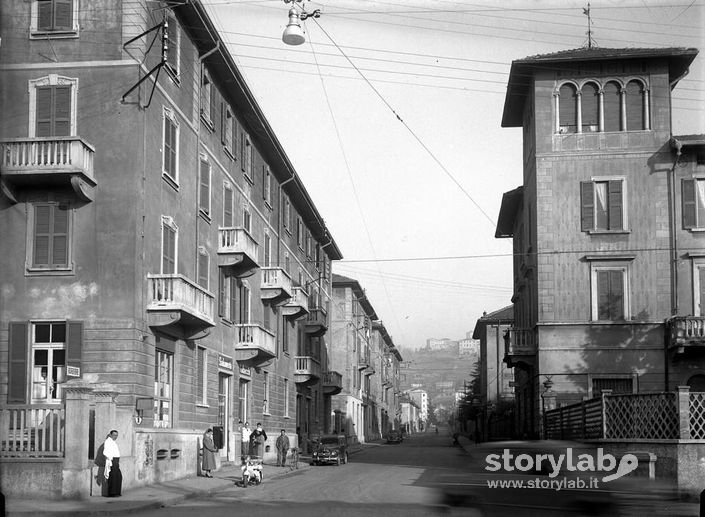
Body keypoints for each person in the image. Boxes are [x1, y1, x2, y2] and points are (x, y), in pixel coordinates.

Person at [103, 430, 122, 497]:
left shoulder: (113, 442)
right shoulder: (108, 442)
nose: (115, 437)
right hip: (112, 461)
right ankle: (112, 493)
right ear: (110, 435)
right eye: (114, 435)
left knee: (118, 476)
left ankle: (117, 492)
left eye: (116, 435)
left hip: (116, 461)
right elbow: (105, 452)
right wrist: (110, 460)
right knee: (113, 477)